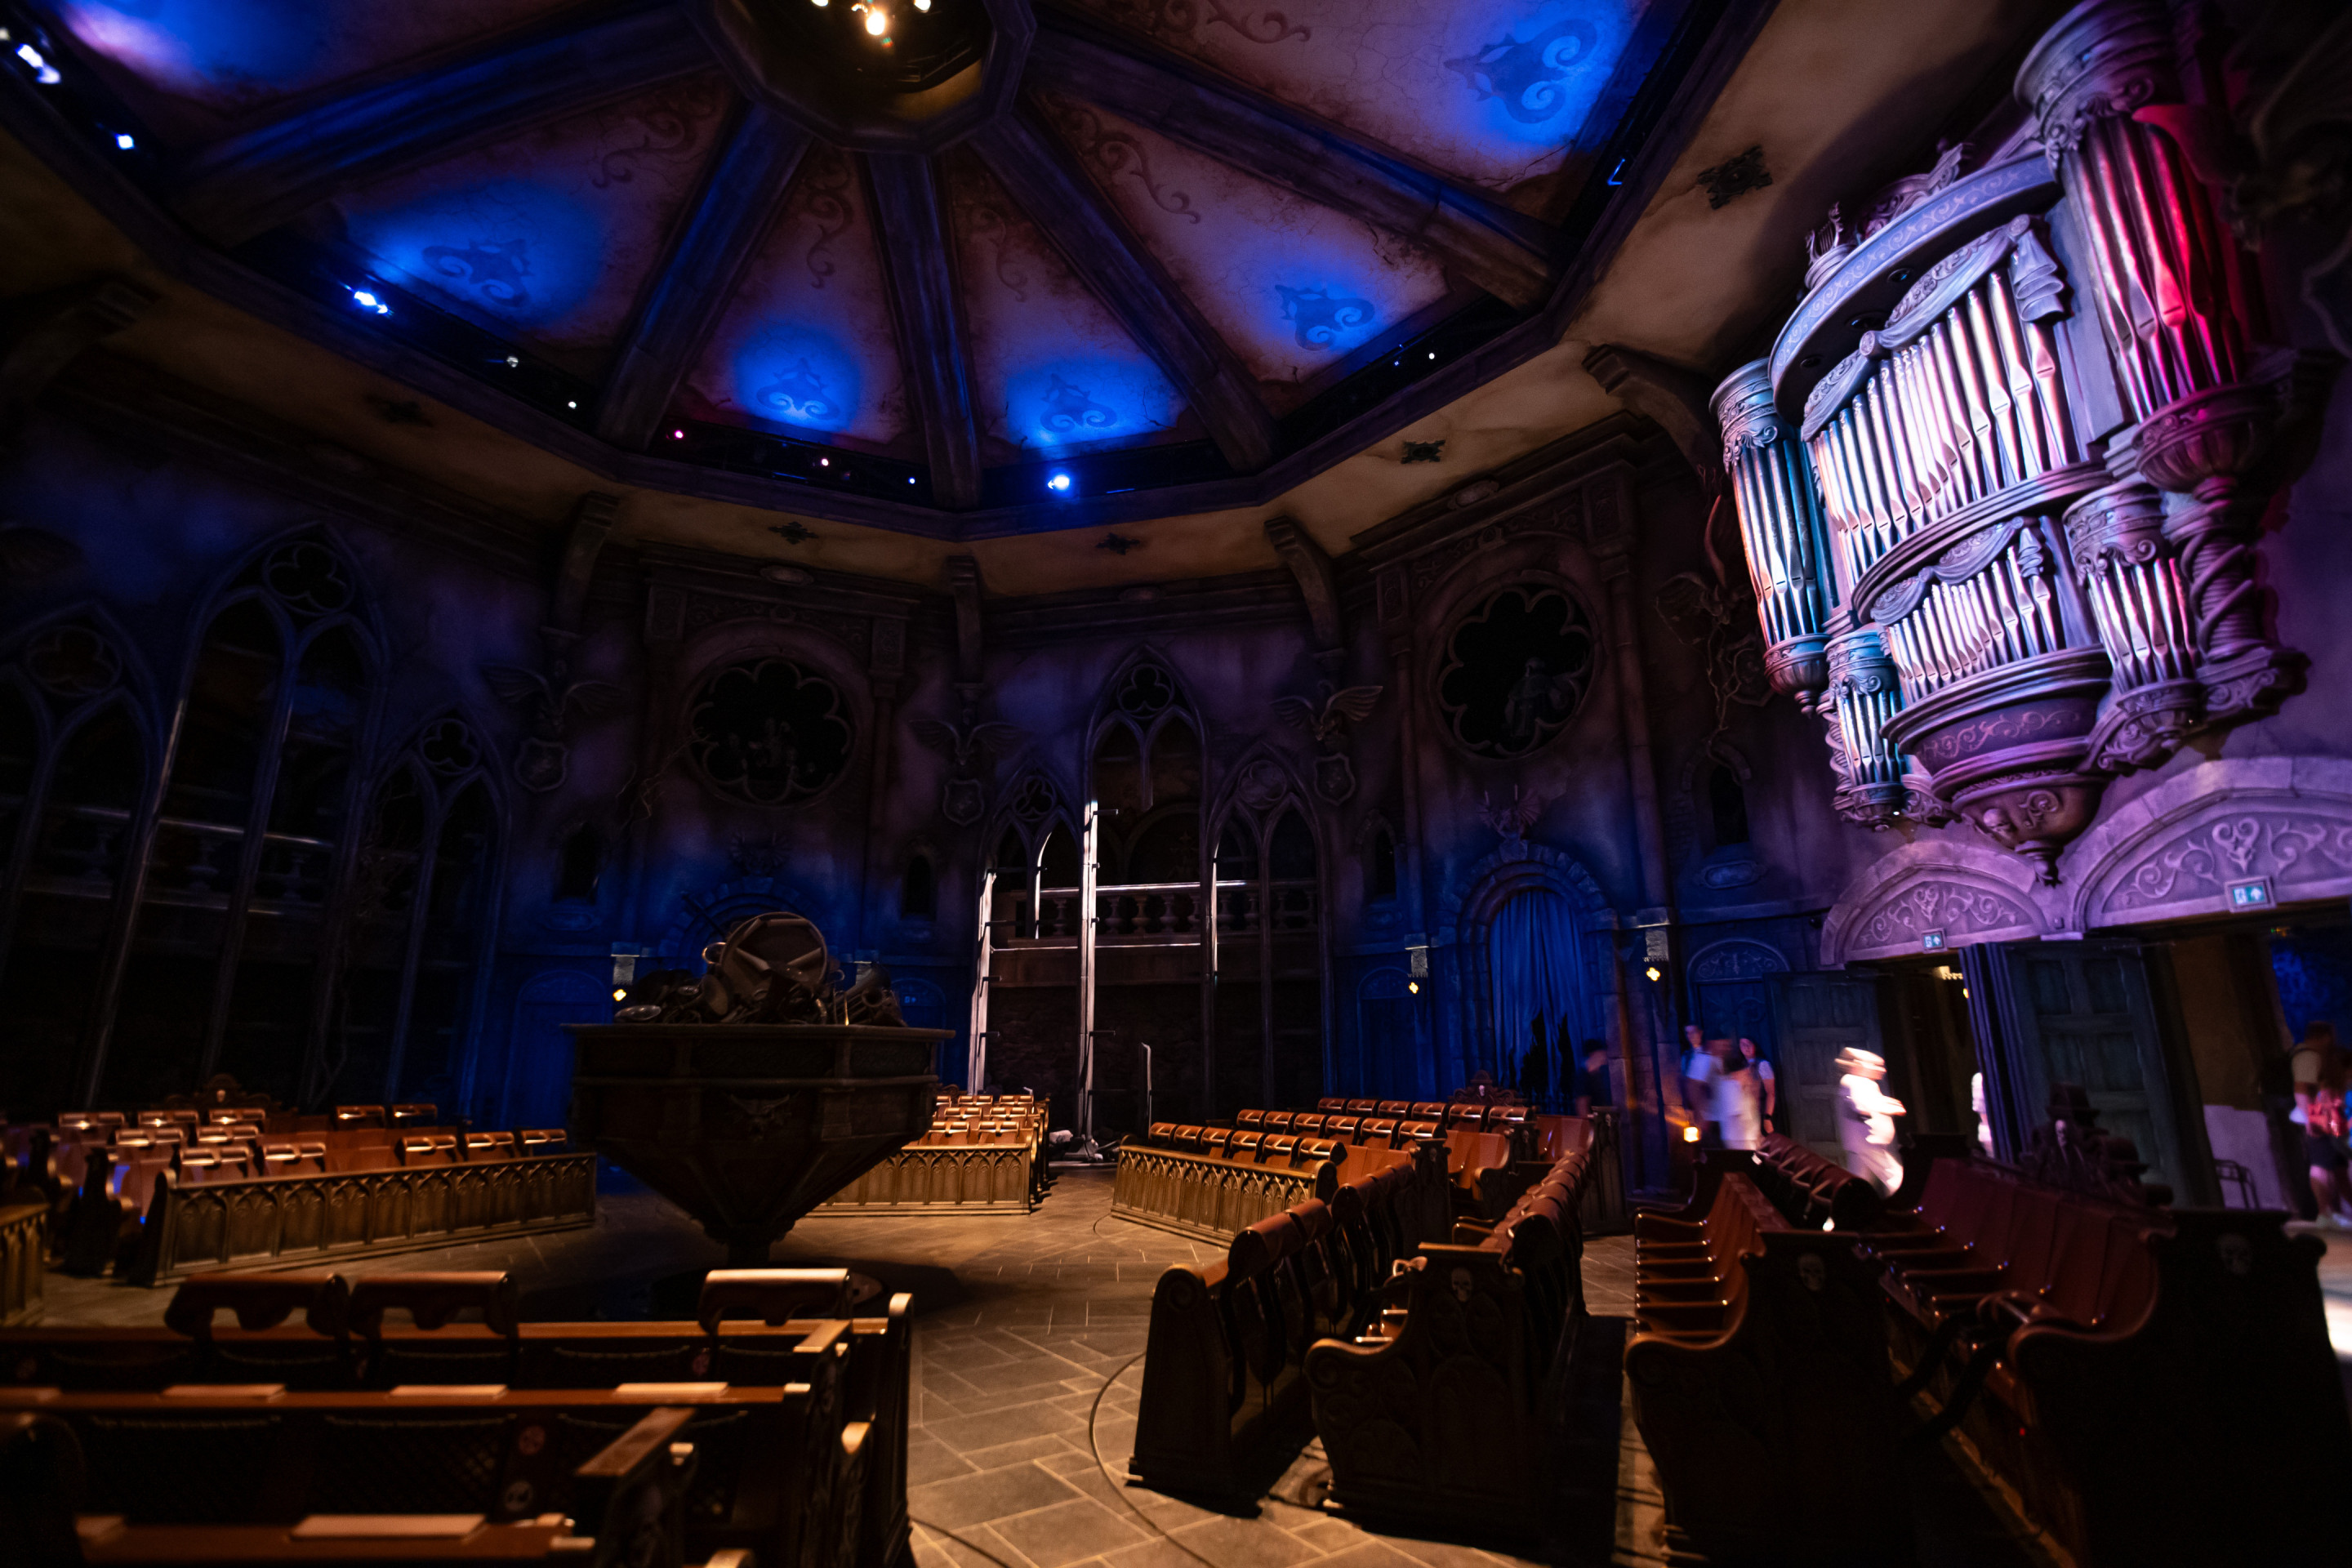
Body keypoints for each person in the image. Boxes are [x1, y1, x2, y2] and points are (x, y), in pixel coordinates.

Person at [2290, 1022, 2351, 1226]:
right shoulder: (2309, 1057)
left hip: (2327, 1114)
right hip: (2319, 1115)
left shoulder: (2316, 1057)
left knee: (2336, 1164)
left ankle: (2330, 1213)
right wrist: (2311, 1120)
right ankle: (2324, 1213)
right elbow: (2301, 1088)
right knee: (2321, 1163)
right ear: (2323, 1036)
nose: (2333, 1040)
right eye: (2330, 1036)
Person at [1835, 1047, 1905, 1194]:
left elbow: (1870, 1100)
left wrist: (1886, 1103)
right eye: (1875, 1066)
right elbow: (1860, 1104)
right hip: (1867, 1140)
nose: (1882, 1070)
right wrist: (1887, 1107)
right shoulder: (1852, 1081)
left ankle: (1851, 1210)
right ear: (1859, 1065)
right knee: (1893, 1174)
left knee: (1859, 1180)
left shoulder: (1866, 1083)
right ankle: (1905, 1201)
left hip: (1865, 1142)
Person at [1713, 1040, 1762, 1151]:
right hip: (1740, 1141)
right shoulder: (1729, 1088)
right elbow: (1738, 1119)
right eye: (1745, 1073)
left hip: (1750, 1138)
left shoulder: (1740, 1087)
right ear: (1735, 1074)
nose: (1748, 1075)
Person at [1738, 1037, 1775, 1135]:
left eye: (1749, 1044)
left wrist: (1767, 1117)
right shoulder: (1740, 1066)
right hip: (1748, 1114)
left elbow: (1770, 1092)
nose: (1746, 1047)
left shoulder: (1763, 1064)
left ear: (1754, 1046)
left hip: (1762, 1111)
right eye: (1743, 1045)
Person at [1575, 1040, 1613, 1116]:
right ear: (1593, 1054)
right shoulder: (1583, 1077)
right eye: (1601, 1054)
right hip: (1596, 1123)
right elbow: (1582, 1105)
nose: (1604, 1058)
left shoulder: (1599, 1074)